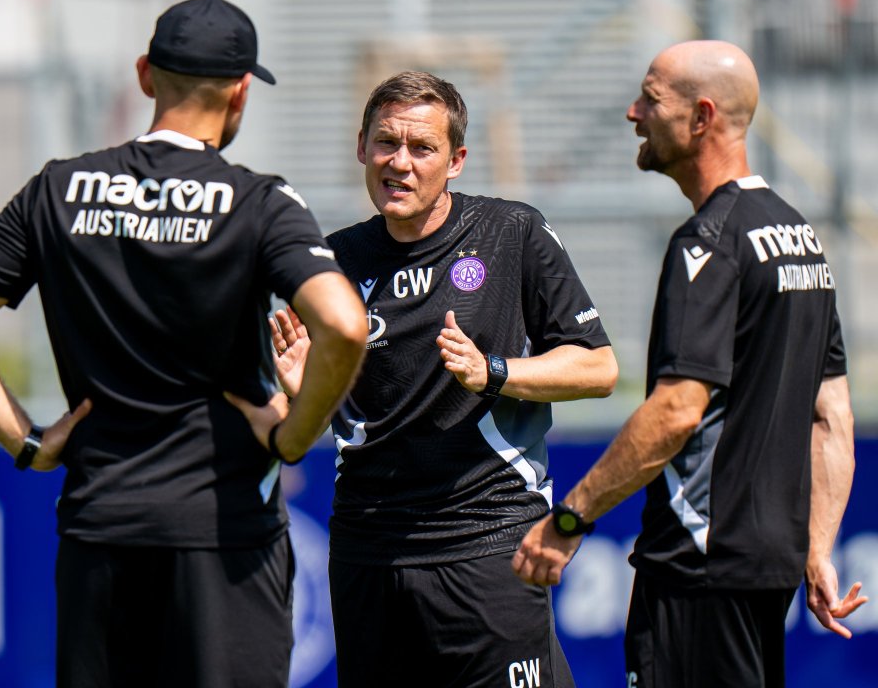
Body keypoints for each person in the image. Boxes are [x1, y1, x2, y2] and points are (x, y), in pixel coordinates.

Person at [0, 0, 366, 688]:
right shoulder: (258, 202)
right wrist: (294, 434)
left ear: (146, 75)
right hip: (223, 528)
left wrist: (26, 441)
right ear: (241, 91)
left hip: (101, 525)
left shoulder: (58, 189)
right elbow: (344, 324)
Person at [512, 40, 867, 687]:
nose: (633, 113)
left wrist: (571, 517)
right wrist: (817, 548)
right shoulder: (800, 238)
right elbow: (833, 416)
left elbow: (676, 410)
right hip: (769, 565)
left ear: (701, 117)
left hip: (700, 564)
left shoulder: (709, 243)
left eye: (650, 99)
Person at [263, 70, 618, 687]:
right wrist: (303, 393)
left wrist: (493, 372)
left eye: (421, 148)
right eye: (385, 143)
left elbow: (598, 367)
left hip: (487, 541)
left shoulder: (512, 234)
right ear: (361, 148)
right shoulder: (332, 263)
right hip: (369, 552)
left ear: (455, 161)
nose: (399, 162)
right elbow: (305, 430)